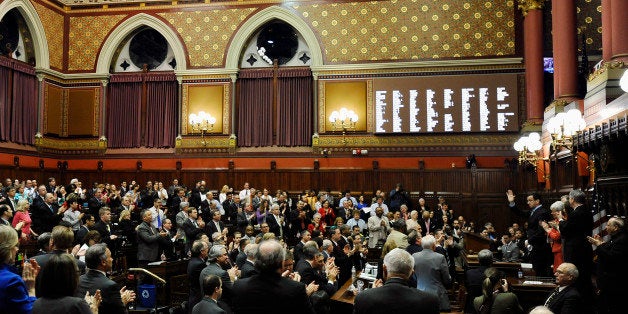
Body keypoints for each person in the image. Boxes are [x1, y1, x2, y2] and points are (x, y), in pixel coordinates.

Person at [232, 239, 314, 314]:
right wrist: (293, 285)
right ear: (281, 263)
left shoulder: (238, 286)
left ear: (256, 261)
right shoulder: (296, 288)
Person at [354, 248, 438, 314]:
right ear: (411, 273)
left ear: (384, 269)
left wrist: (373, 292)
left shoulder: (363, 298)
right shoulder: (430, 300)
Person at [32, 253, 101, 314]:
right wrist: (92, 310)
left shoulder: (36, 304)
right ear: (70, 277)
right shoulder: (77, 305)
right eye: (77, 273)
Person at [76, 243, 135, 314]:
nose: (112, 259)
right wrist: (123, 302)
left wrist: (116, 298)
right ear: (103, 262)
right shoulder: (110, 285)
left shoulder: (78, 280)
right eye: (110, 257)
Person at [587, 217, 628, 314]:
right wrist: (600, 243)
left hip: (615, 283)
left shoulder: (622, 240)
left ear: (616, 227)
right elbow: (608, 250)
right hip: (608, 283)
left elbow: (612, 257)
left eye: (609, 225)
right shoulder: (615, 238)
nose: (606, 227)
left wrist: (599, 245)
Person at [507, 190, 553, 277]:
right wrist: (512, 202)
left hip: (540, 247)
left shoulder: (542, 212)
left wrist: (529, 240)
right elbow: (520, 213)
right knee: (535, 269)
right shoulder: (533, 211)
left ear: (537, 201)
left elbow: (541, 231)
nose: (528, 202)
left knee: (540, 270)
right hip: (535, 246)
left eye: (530, 200)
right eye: (527, 200)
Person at [559, 189, 592, 299]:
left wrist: (560, 220)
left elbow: (566, 230)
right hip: (585, 248)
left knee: (576, 277)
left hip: (575, 251)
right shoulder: (587, 210)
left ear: (572, 199)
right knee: (584, 276)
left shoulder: (575, 213)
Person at [0, 224, 39, 312]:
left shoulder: (20, 253)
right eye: (15, 245)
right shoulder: (12, 281)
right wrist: (30, 289)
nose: (17, 248)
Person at [412, 234, 451, 311]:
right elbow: (447, 279)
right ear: (434, 246)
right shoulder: (440, 257)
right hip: (437, 296)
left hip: (419, 294)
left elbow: (413, 276)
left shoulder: (414, 256)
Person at [541, 201, 565, 272]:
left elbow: (556, 237)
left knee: (560, 271)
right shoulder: (556, 221)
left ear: (558, 212)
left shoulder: (562, 221)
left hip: (560, 250)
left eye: (553, 211)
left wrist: (547, 230)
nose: (551, 213)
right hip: (556, 249)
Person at [187, 240, 209, 313]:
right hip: (198, 296)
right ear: (202, 251)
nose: (208, 250)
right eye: (207, 248)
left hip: (193, 294)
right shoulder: (199, 264)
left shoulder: (193, 260)